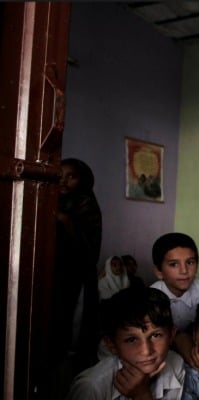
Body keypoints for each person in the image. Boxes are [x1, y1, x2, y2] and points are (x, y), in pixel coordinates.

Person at [65, 286, 185, 399]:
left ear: (171, 335)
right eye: (131, 339)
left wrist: (142, 396)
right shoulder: (92, 387)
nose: (146, 351)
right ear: (111, 344)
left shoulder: (176, 365)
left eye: (155, 335)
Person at [49, 158, 102, 397]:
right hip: (53, 278)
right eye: (60, 175)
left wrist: (66, 221)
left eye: (71, 176)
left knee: (73, 332)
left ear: (83, 180)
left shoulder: (86, 205)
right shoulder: (49, 199)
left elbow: (88, 251)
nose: (63, 180)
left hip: (78, 279)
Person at [151, 232, 199, 363]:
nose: (184, 271)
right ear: (159, 272)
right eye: (174, 264)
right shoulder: (151, 298)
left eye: (190, 262)